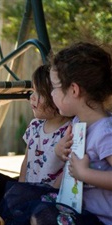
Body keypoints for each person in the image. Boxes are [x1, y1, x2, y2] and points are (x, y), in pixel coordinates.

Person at [49, 42, 112, 225]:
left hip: (102, 220)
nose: (52, 93)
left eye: (54, 87)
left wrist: (84, 174)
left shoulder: (105, 133)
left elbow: (81, 171)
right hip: (79, 210)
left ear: (74, 90)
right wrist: (61, 151)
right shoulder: (78, 123)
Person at [19, 64, 71, 188]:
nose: (32, 97)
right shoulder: (34, 125)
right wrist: (20, 188)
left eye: (40, 93)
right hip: (28, 192)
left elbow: (66, 170)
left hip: (49, 199)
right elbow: (26, 161)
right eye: (32, 91)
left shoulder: (69, 130)